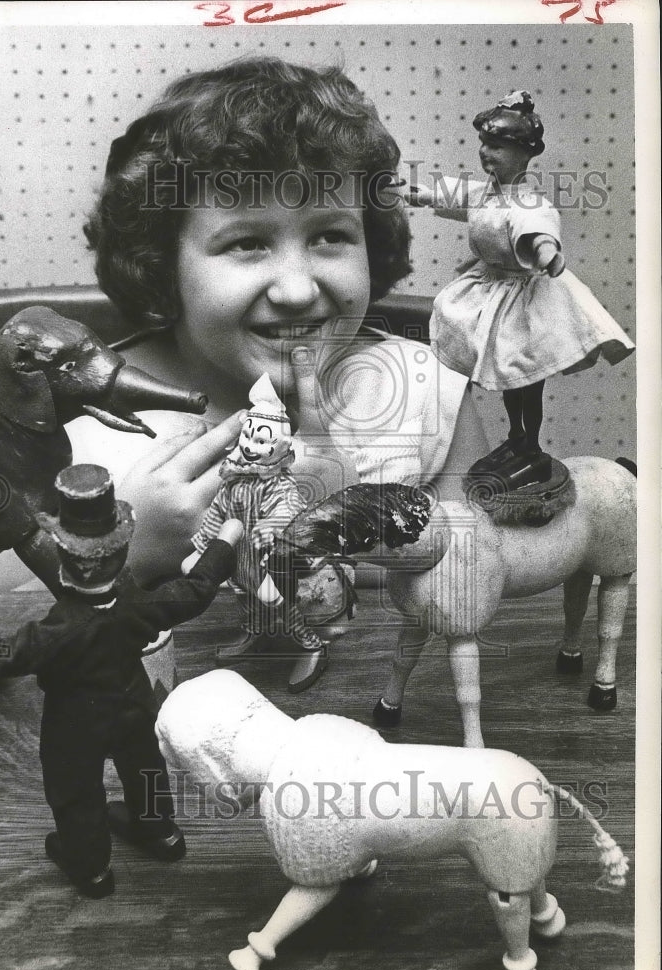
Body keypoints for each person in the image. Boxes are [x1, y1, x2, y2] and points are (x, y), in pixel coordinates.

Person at [66, 56, 488, 595]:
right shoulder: (82, 432)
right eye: (246, 243)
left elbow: (479, 574)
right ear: (161, 264)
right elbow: (0, 627)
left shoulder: (429, 395)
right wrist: (132, 557)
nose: (297, 290)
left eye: (330, 235)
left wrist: (350, 528)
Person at [0, 464, 241, 899]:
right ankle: (160, 833)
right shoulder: (140, 605)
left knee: (77, 793)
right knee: (145, 769)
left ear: (63, 559)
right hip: (133, 706)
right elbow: (197, 590)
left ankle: (91, 869)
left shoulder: (54, 630)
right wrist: (224, 542)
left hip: (74, 726)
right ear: (123, 553)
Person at [406, 90, 634, 491]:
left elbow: (536, 228)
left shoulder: (527, 202)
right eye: (483, 143)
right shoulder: (489, 192)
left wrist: (546, 252)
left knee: (526, 377)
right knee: (507, 376)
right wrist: (422, 194)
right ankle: (517, 437)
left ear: (522, 153)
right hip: (493, 290)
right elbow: (461, 196)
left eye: (494, 145)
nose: (484, 153)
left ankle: (529, 444)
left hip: (526, 301)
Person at [184, 373, 329, 693]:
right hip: (241, 558)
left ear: (280, 450)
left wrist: (270, 527)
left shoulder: (281, 485)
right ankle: (256, 632)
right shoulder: (235, 478)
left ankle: (311, 644)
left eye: (261, 441)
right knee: (246, 597)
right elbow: (217, 512)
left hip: (272, 562)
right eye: (247, 437)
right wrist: (203, 546)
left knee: (280, 603)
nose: (250, 446)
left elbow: (290, 508)